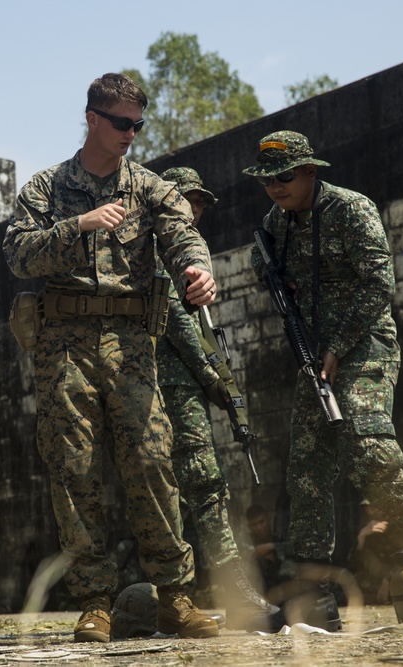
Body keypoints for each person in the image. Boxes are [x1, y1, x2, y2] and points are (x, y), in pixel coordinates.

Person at [3, 73, 220, 643]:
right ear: (93, 119)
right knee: (72, 467)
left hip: (129, 345)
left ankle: (175, 596)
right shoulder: (47, 189)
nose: (131, 134)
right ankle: (95, 602)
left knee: (151, 461)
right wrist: (78, 226)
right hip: (63, 345)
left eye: (138, 125)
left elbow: (182, 237)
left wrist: (199, 270)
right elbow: (17, 255)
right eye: (122, 122)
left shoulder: (150, 188)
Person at [243, 130, 403, 630]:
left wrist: (337, 345)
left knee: (369, 450)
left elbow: (380, 284)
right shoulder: (274, 225)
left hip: (364, 345)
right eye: (266, 180)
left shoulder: (352, 210)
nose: (275, 187)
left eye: (284, 177)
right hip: (314, 356)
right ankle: (315, 594)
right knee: (307, 466)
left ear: (311, 170)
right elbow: (262, 265)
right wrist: (269, 276)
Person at [153, 167, 281, 631]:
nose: (196, 210)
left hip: (173, 381)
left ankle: (180, 593)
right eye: (189, 199)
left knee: (180, 489)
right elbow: (173, 315)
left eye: (201, 203)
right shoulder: (157, 246)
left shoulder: (185, 253)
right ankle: (230, 593)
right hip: (171, 382)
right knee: (202, 487)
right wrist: (214, 378)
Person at [244, 503, 297, 601]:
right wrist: (257, 554)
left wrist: (271, 547)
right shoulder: (247, 541)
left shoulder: (280, 535)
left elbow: (295, 548)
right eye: (254, 525)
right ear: (249, 526)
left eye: (261, 522)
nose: (259, 527)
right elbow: (242, 553)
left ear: (269, 519)